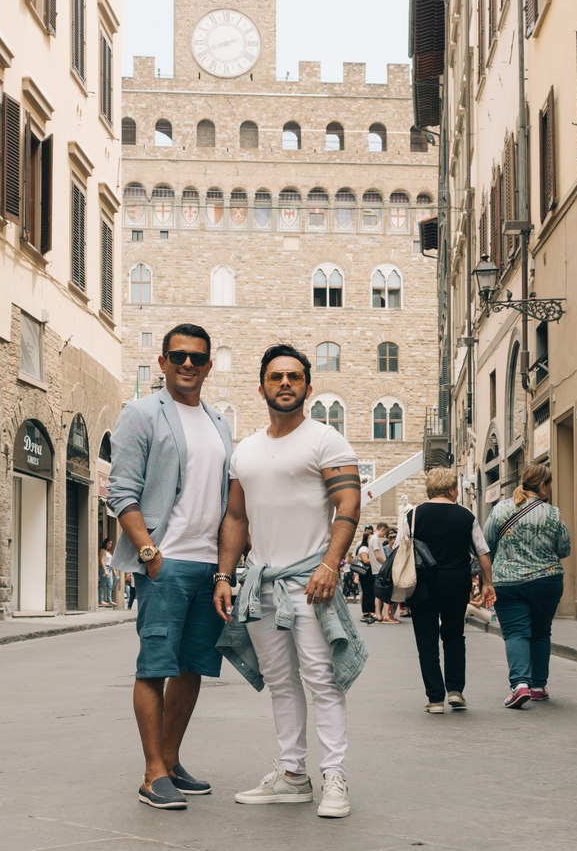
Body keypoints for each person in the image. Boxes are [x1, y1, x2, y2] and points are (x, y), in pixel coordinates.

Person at [215, 343, 365, 819]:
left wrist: (329, 565)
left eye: (294, 377)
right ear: (261, 387)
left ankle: (334, 777)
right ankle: (292, 775)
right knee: (281, 683)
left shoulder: (327, 441)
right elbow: (235, 518)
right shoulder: (246, 450)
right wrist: (225, 575)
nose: (285, 383)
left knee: (322, 680)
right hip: (260, 583)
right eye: (276, 377)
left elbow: (349, 507)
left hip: (310, 583)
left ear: (307, 386)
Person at [108, 324, 233, 810]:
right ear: (161, 362)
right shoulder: (140, 414)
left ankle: (172, 759)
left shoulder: (219, 422)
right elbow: (121, 491)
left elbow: (227, 503)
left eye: (197, 358)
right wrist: (148, 554)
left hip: (208, 566)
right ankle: (151, 772)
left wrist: (224, 569)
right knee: (155, 666)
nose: (187, 364)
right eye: (178, 355)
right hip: (165, 562)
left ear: (207, 365)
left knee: (193, 667)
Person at [409, 466, 495, 713]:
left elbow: (401, 553)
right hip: (456, 584)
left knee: (426, 642)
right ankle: (456, 691)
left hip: (422, 586)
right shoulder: (465, 515)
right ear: (451, 489)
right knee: (454, 637)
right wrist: (488, 584)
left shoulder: (412, 515)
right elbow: (482, 552)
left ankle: (435, 698)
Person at [485, 461, 571, 707]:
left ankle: (519, 684)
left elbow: (487, 543)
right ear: (543, 485)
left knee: (515, 633)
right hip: (547, 580)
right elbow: (564, 549)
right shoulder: (553, 513)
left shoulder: (501, 509)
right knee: (541, 632)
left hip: (508, 582)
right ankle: (537, 686)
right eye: (550, 483)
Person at [356, 527, 376, 621]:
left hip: (369, 572)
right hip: (366, 573)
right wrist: (376, 561)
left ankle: (368, 611)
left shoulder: (368, 548)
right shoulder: (363, 548)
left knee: (370, 592)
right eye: (370, 538)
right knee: (368, 592)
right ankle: (367, 612)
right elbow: (365, 560)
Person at [99, 540, 116, 607]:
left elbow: (111, 562)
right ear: (106, 543)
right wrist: (105, 570)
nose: (110, 545)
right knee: (103, 584)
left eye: (111, 544)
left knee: (110, 585)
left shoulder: (109, 552)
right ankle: (101, 600)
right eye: (109, 543)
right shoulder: (103, 550)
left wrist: (114, 570)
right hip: (104, 568)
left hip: (109, 568)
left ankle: (109, 600)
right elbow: (101, 560)